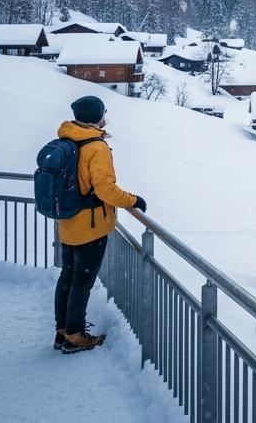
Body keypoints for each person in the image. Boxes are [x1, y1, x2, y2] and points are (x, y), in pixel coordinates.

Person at [53, 95, 147, 354]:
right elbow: (106, 190)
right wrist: (133, 200)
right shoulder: (96, 147)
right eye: (103, 112)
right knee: (81, 282)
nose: (106, 116)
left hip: (69, 221)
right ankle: (75, 336)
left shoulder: (68, 138)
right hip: (90, 227)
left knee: (68, 277)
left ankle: (63, 331)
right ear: (97, 117)